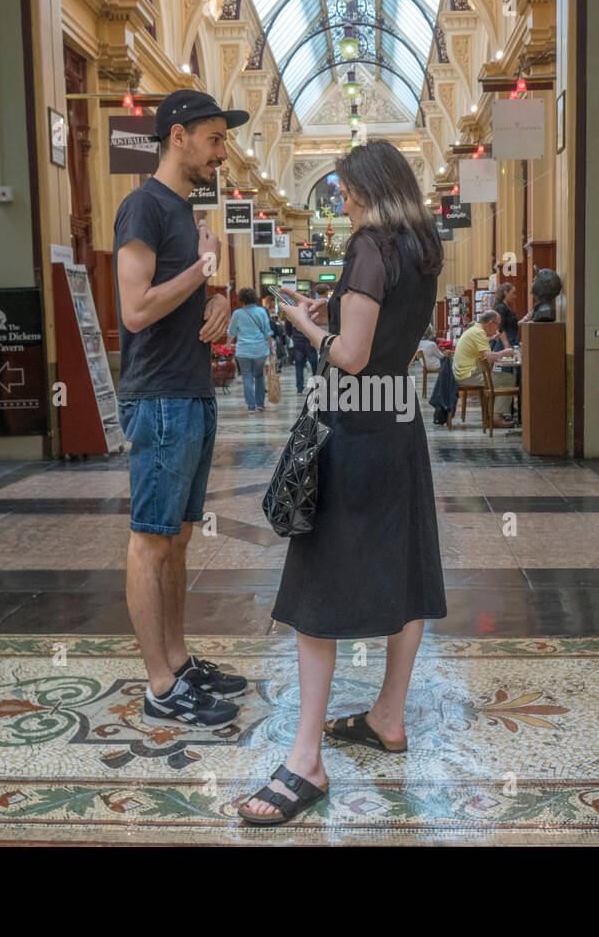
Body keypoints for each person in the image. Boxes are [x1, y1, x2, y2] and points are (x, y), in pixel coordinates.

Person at [236, 140, 447, 825]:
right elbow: (385, 337)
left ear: (371, 189)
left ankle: (305, 762)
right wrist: (334, 310)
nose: (343, 201)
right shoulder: (422, 245)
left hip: (352, 430)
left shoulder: (369, 244)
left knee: (316, 587)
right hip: (399, 424)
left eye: (348, 190)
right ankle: (388, 715)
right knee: (408, 569)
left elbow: (351, 357)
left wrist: (302, 323)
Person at [113, 89, 249, 729]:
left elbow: (191, 292)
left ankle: (178, 658)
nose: (223, 152)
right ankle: (161, 685)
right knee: (150, 540)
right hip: (160, 393)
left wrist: (216, 301)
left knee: (178, 537)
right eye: (216, 139)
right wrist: (202, 269)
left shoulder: (183, 208)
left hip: (190, 389)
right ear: (179, 138)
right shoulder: (142, 206)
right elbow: (135, 309)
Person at [452, 311, 515, 429]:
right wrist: (505, 352)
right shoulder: (479, 333)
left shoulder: (475, 330)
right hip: (467, 376)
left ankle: (493, 414)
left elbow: (485, 354)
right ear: (491, 323)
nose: (498, 328)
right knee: (509, 379)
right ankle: (496, 418)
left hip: (463, 373)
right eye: (498, 325)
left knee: (499, 379)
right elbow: (490, 357)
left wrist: (491, 339)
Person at [228, 287, 274, 412]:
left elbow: (231, 332)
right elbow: (267, 332)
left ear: (241, 299)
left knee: (247, 377)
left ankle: (251, 406)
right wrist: (271, 348)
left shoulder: (237, 314)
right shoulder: (261, 311)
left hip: (243, 350)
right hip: (260, 349)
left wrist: (228, 345)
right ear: (255, 298)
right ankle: (260, 404)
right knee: (259, 376)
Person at [493, 282, 521, 347]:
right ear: (506, 292)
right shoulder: (501, 308)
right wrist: (506, 346)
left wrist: (525, 319)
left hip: (512, 339)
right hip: (506, 342)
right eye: (513, 293)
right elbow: (501, 328)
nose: (514, 296)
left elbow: (512, 325)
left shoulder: (507, 307)